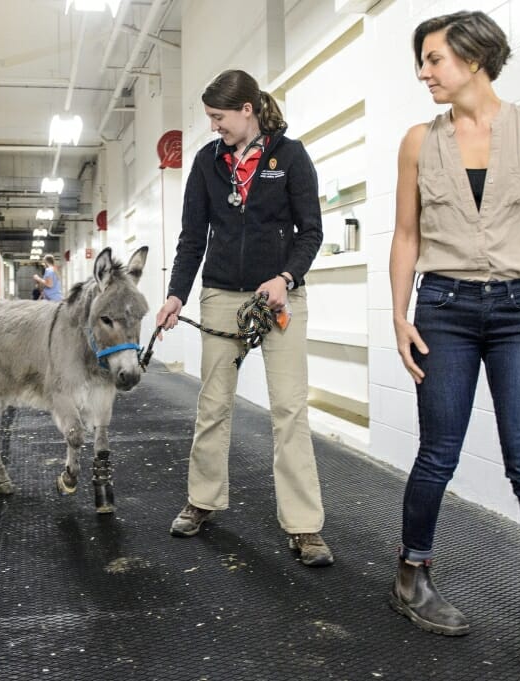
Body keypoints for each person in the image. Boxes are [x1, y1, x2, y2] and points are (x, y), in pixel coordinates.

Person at [388, 11, 520, 675]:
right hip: (442, 307)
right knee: (437, 452)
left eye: (434, 59)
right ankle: (412, 574)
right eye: (422, 60)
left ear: (473, 57)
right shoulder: (417, 141)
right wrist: (398, 312)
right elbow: (406, 236)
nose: (423, 72)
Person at [155, 69, 332, 567]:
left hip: (278, 298)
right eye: (211, 118)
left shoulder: (290, 157)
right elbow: (192, 238)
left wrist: (287, 278)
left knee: (289, 410)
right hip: (220, 295)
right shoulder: (206, 163)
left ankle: (305, 527)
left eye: (220, 118)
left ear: (247, 109)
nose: (215, 127)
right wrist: (176, 297)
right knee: (212, 405)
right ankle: (202, 501)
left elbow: (311, 232)